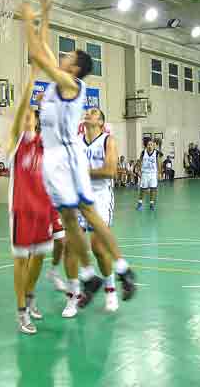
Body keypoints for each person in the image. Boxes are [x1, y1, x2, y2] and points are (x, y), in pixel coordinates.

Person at [21, 0, 136, 309]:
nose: (62, 56)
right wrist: (44, 14)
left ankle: (122, 270)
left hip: (66, 157)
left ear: (74, 68)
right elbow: (43, 49)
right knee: (69, 218)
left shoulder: (72, 85)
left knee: (84, 213)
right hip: (56, 158)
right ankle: (91, 274)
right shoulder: (60, 82)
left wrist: (28, 20)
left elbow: (37, 52)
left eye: (68, 56)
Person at [6, 66, 65, 333]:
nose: (28, 118)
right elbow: (22, 111)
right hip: (21, 212)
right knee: (21, 260)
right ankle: (20, 313)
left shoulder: (45, 144)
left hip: (44, 211)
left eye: (32, 116)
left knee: (39, 257)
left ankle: (30, 299)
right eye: (25, 116)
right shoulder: (16, 144)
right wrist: (31, 79)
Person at [79, 107, 120, 314]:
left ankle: (110, 290)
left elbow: (110, 171)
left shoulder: (107, 141)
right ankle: (84, 286)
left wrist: (83, 173)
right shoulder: (77, 140)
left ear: (101, 122)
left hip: (101, 196)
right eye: (87, 111)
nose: (88, 112)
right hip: (79, 196)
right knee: (74, 245)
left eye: (93, 112)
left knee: (97, 247)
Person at [136, 140, 162, 211]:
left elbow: (159, 163)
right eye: (148, 144)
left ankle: (151, 204)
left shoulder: (156, 153)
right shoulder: (143, 152)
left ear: (153, 146)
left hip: (153, 174)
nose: (150, 146)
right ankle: (140, 203)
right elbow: (139, 161)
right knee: (143, 189)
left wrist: (159, 173)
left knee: (153, 189)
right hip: (145, 173)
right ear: (146, 146)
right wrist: (138, 170)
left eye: (151, 144)